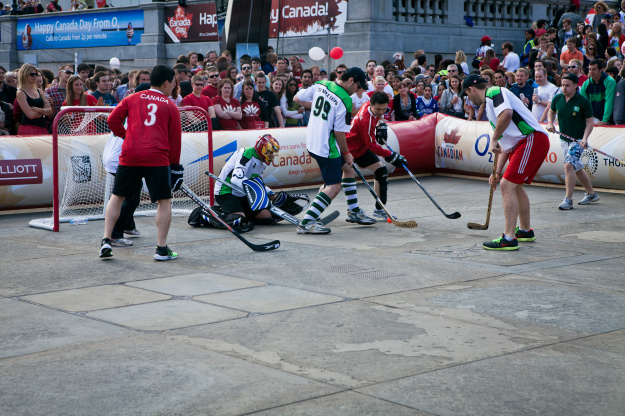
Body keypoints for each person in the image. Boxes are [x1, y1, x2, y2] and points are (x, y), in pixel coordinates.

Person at [460, 74, 549, 251]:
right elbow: (505, 146)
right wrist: (496, 173)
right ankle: (524, 230)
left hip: (531, 139)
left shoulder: (493, 92)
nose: (469, 98)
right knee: (514, 186)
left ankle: (508, 238)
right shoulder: (490, 107)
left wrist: (493, 139)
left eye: (468, 94)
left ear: (472, 89)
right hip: (523, 143)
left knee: (507, 186)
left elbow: (507, 114)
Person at [102, 65, 182, 261]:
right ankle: (161, 249)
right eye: (172, 83)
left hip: (130, 154)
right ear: (165, 83)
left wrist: (127, 136)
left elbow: (112, 120)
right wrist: (175, 167)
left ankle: (106, 239)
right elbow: (175, 141)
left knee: (117, 196)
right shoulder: (170, 105)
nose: (173, 87)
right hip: (157, 157)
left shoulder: (131, 98)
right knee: (164, 201)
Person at [293, 67, 371, 234]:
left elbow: (296, 98)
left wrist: (318, 107)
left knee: (348, 169)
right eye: (357, 87)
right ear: (351, 81)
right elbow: (339, 132)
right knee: (334, 186)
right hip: (326, 147)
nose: (356, 91)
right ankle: (307, 222)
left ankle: (353, 211)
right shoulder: (345, 100)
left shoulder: (321, 84)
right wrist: (347, 153)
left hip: (313, 142)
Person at [344, 92, 408, 220]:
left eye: (384, 109)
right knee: (333, 182)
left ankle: (380, 209)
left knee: (381, 171)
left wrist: (380, 123)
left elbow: (377, 119)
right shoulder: (366, 121)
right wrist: (391, 155)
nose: (381, 112)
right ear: (372, 105)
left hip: (360, 147)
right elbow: (372, 146)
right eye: (378, 109)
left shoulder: (367, 104)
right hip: (351, 150)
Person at [546, 73, 600, 210]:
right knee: (576, 167)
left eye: (567, 85)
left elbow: (589, 123)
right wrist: (550, 122)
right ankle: (591, 194)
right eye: (562, 85)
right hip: (564, 139)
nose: (564, 88)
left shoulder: (583, 101)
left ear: (575, 86)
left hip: (577, 141)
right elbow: (551, 112)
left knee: (569, 165)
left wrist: (584, 139)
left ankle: (568, 200)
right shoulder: (558, 98)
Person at [214, 134, 282, 226]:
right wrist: (257, 192)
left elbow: (258, 183)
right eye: (270, 152)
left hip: (243, 193)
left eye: (273, 153)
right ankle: (209, 214)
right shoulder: (246, 153)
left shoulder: (262, 163)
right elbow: (235, 180)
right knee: (238, 219)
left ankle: (243, 215)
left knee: (266, 216)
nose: (272, 156)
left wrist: (272, 195)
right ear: (262, 149)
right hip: (226, 191)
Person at [15, 65, 53, 135]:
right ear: (24, 75)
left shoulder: (39, 91)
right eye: (32, 74)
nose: (35, 76)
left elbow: (50, 111)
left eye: (36, 74)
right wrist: (44, 112)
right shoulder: (21, 93)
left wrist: (37, 109)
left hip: (42, 127)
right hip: (28, 128)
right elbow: (31, 115)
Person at [581, 59, 616, 125]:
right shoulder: (585, 84)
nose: (591, 72)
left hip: (607, 121)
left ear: (601, 70)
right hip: (592, 120)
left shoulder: (609, 81)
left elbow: (609, 101)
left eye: (594, 69)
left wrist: (605, 120)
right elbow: (584, 104)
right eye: (590, 69)